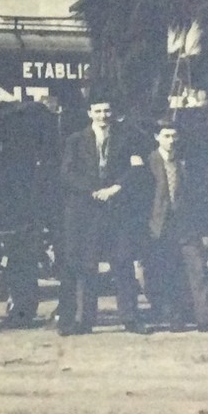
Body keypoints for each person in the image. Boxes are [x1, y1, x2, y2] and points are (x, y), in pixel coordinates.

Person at [59, 96, 144, 335]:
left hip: (117, 212)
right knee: (87, 267)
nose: (103, 115)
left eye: (107, 111)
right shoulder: (75, 141)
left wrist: (115, 188)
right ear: (90, 113)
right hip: (86, 212)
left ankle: (130, 318)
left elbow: (136, 168)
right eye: (98, 111)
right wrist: (93, 190)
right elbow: (67, 173)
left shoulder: (126, 138)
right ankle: (84, 320)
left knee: (123, 264)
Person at [143, 120, 208, 332]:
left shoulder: (185, 161)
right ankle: (175, 318)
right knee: (169, 272)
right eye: (166, 136)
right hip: (160, 225)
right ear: (157, 137)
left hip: (186, 224)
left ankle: (205, 319)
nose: (171, 141)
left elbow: (197, 192)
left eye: (174, 136)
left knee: (198, 269)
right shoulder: (149, 162)